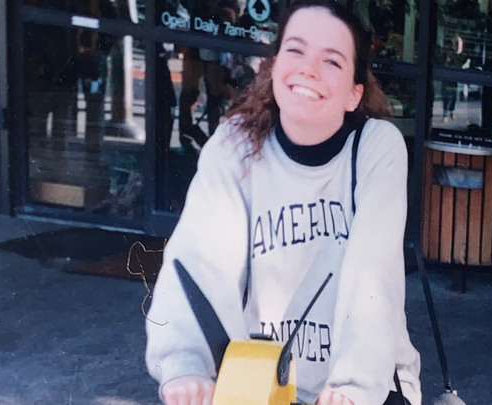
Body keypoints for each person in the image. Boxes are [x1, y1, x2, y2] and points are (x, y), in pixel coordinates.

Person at [145, 1, 421, 405]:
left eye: (332, 61)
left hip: (364, 387)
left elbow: (372, 273)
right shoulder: (236, 145)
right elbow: (197, 257)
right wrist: (184, 362)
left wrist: (353, 388)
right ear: (273, 67)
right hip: (260, 380)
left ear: (354, 93)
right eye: (296, 50)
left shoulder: (376, 148)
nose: (309, 69)